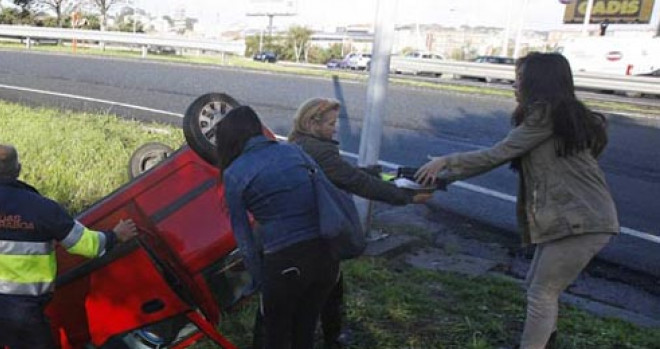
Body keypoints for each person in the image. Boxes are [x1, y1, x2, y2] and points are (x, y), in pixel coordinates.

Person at [415, 52, 618, 349]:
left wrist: (446, 162)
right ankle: (544, 342)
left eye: (519, 79)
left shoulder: (545, 116)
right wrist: (444, 179)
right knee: (538, 287)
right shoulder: (563, 116)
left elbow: (496, 155)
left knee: (541, 293)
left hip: (581, 221)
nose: (514, 85)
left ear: (537, 83)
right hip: (577, 217)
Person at [0, 144, 138, 349]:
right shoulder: (44, 209)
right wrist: (115, 236)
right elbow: (85, 245)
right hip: (25, 317)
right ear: (18, 170)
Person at [288, 97, 432, 348]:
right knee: (321, 289)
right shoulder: (320, 151)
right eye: (331, 123)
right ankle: (331, 336)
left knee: (328, 284)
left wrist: (376, 174)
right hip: (315, 233)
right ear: (313, 123)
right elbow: (355, 182)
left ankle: (333, 333)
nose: (335, 128)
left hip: (301, 230)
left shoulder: (300, 143)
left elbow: (348, 175)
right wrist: (406, 196)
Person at [217, 105, 340, 349]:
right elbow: (327, 193)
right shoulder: (294, 151)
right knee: (304, 330)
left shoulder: (234, 172)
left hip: (285, 263)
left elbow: (243, 237)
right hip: (325, 257)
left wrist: (257, 278)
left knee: (276, 335)